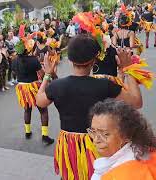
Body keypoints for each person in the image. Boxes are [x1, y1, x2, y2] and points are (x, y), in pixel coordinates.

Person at [36, 34, 143, 180]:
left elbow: (39, 101)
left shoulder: (57, 86)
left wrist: (47, 75)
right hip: (97, 143)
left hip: (69, 146)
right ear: (94, 61)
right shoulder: (105, 85)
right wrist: (128, 68)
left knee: (70, 175)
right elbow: (136, 102)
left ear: (70, 60)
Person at [89, 99, 156, 180]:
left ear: (127, 135)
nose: (96, 140)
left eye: (105, 134)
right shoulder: (142, 153)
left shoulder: (124, 174)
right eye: (93, 132)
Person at [13, 31, 55, 145]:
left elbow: (14, 74)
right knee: (43, 110)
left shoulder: (15, 60)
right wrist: (49, 78)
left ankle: (27, 131)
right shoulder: (33, 60)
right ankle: (45, 135)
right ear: (28, 49)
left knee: (27, 109)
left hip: (22, 88)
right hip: (33, 87)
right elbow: (42, 74)